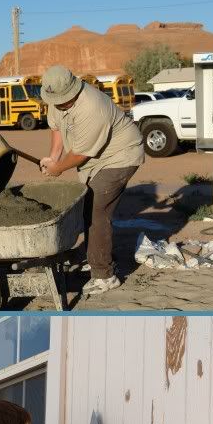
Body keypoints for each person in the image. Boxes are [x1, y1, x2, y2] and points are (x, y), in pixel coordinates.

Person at [38, 65, 145, 296]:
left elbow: (80, 154)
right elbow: (56, 127)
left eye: (64, 100)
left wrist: (58, 168)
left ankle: (105, 276)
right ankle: (97, 256)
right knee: (88, 209)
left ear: (73, 90)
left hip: (121, 155)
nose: (60, 103)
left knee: (97, 210)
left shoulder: (92, 107)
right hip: (96, 159)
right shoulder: (56, 100)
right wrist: (53, 157)